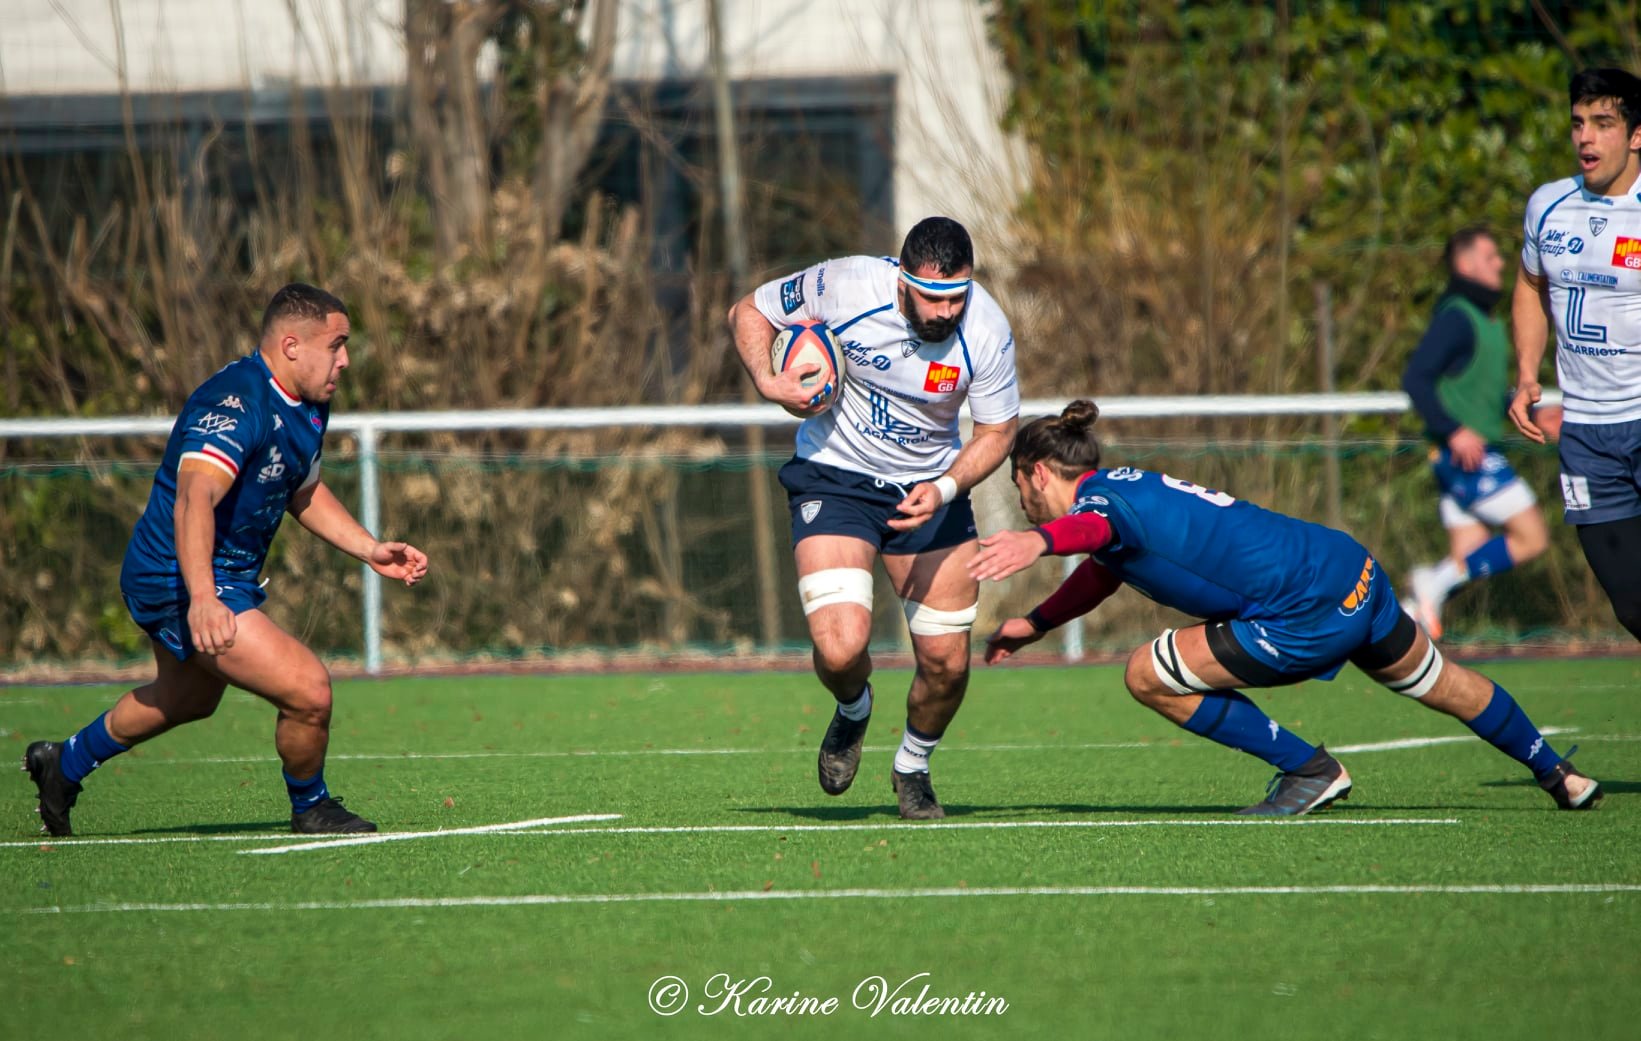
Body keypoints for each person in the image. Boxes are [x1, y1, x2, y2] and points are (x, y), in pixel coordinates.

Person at [970, 400, 1599, 815]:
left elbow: (1090, 531)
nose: (1021, 500)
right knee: (1441, 682)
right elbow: (1103, 570)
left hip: (1304, 610)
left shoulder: (1101, 506)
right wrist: (1035, 623)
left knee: (1146, 674)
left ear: (1039, 472)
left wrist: (1036, 541)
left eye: (1018, 484)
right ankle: (1559, 775)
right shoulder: (1126, 485)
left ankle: (1308, 769)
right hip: (1350, 569)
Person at [22, 284, 429, 836]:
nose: (346, 360)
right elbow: (194, 500)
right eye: (336, 345)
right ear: (291, 346)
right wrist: (203, 598)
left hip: (216, 576)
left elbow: (302, 489)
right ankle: (312, 806)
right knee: (309, 690)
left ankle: (62, 764)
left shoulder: (308, 405)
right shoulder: (235, 405)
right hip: (175, 575)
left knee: (188, 697)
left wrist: (369, 548)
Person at [728, 217, 1020, 819]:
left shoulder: (987, 330)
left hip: (930, 489)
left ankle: (913, 765)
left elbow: (997, 431)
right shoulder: (847, 285)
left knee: (946, 664)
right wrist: (768, 381)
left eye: (957, 297)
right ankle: (854, 708)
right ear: (903, 279)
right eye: (932, 297)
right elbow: (748, 312)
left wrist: (945, 487)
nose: (946, 312)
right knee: (840, 651)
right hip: (836, 478)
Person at [1510, 67, 1641, 643]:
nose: (1586, 137)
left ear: (1636, 135)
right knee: (1631, 604)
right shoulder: (1548, 205)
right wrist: (1526, 374)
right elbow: (1530, 284)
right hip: (1586, 436)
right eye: (1578, 123)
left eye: (1603, 123)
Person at [1400, 226, 1554, 637]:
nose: (1501, 263)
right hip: (1465, 456)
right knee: (1532, 537)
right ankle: (1430, 585)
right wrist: (1453, 431)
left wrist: (1531, 413)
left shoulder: (1485, 319)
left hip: (1464, 455)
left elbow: (1477, 390)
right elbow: (1416, 379)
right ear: (1465, 264)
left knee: (1467, 553)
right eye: (1490, 257)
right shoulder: (1456, 317)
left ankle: (1409, 615)